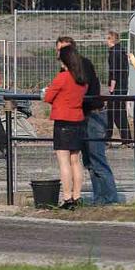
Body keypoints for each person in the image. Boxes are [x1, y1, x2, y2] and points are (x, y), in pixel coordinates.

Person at [58, 36, 119, 205]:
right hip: (83, 116)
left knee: (97, 159)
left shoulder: (81, 66)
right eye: (59, 51)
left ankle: (111, 198)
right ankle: (99, 198)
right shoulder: (69, 69)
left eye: (63, 50)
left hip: (93, 115)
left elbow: (77, 91)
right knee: (89, 161)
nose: (60, 55)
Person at [44, 45, 88, 210]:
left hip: (63, 121)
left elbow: (48, 97)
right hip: (78, 120)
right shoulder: (81, 79)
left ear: (65, 61)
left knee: (64, 162)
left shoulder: (62, 78)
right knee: (75, 160)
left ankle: (67, 197)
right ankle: (77, 196)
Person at [106, 31, 131, 144]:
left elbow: (114, 71)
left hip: (117, 87)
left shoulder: (114, 52)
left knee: (116, 112)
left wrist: (112, 86)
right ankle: (123, 137)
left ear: (111, 40)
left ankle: (123, 138)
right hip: (123, 85)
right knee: (115, 111)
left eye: (107, 39)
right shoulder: (121, 51)